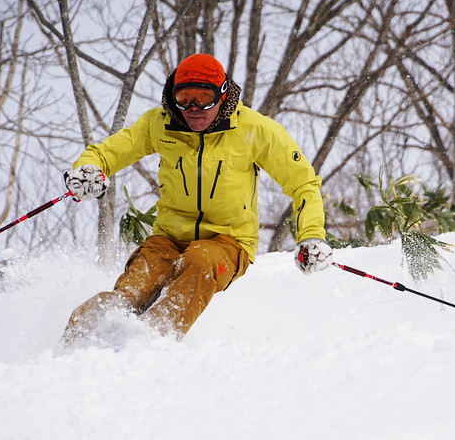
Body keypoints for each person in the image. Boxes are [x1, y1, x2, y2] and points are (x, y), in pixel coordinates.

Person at [61, 53, 332, 343]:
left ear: (223, 95)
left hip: (228, 241)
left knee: (199, 260)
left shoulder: (255, 129)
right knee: (131, 292)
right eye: (185, 98)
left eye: (204, 97)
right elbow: (107, 152)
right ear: (172, 96)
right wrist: (88, 169)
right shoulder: (159, 124)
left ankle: (150, 339)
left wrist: (311, 235)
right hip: (167, 238)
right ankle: (76, 344)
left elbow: (303, 182)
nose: (194, 108)